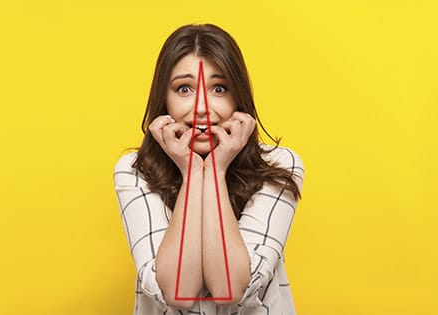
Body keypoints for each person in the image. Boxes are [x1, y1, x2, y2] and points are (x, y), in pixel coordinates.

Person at [113, 23, 304, 314]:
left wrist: (215, 171)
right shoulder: (134, 171)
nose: (202, 106)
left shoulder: (279, 165)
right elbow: (180, 291)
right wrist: (193, 174)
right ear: (163, 100)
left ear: (238, 98)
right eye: (184, 88)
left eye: (218, 88)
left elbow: (229, 288)